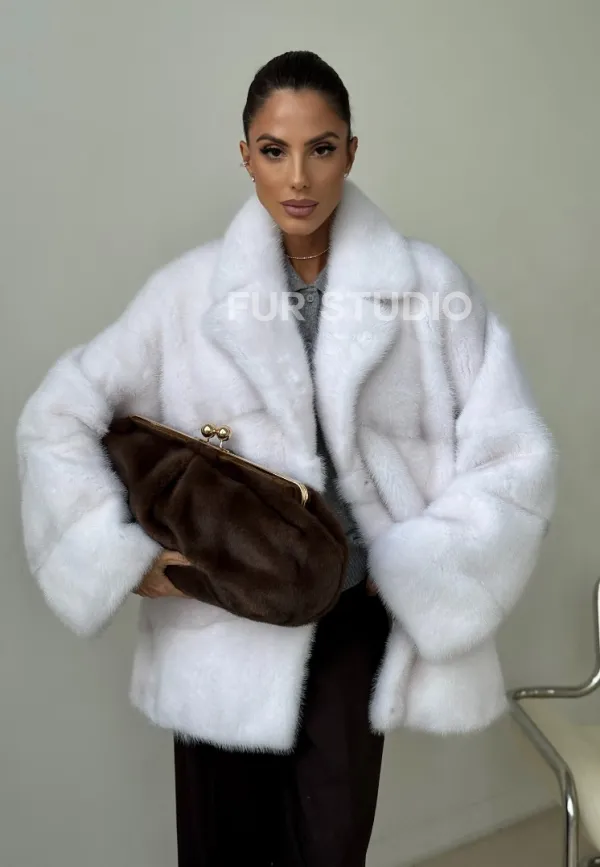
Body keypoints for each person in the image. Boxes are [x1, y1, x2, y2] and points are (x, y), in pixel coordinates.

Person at [16, 50, 556, 867]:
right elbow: (57, 417)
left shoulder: (426, 289)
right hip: (218, 627)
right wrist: (116, 552)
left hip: (350, 628)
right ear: (246, 156)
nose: (298, 176)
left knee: (331, 847)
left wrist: (418, 561)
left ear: (351, 150)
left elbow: (513, 454)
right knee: (222, 850)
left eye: (321, 148)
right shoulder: (188, 294)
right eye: (274, 150)